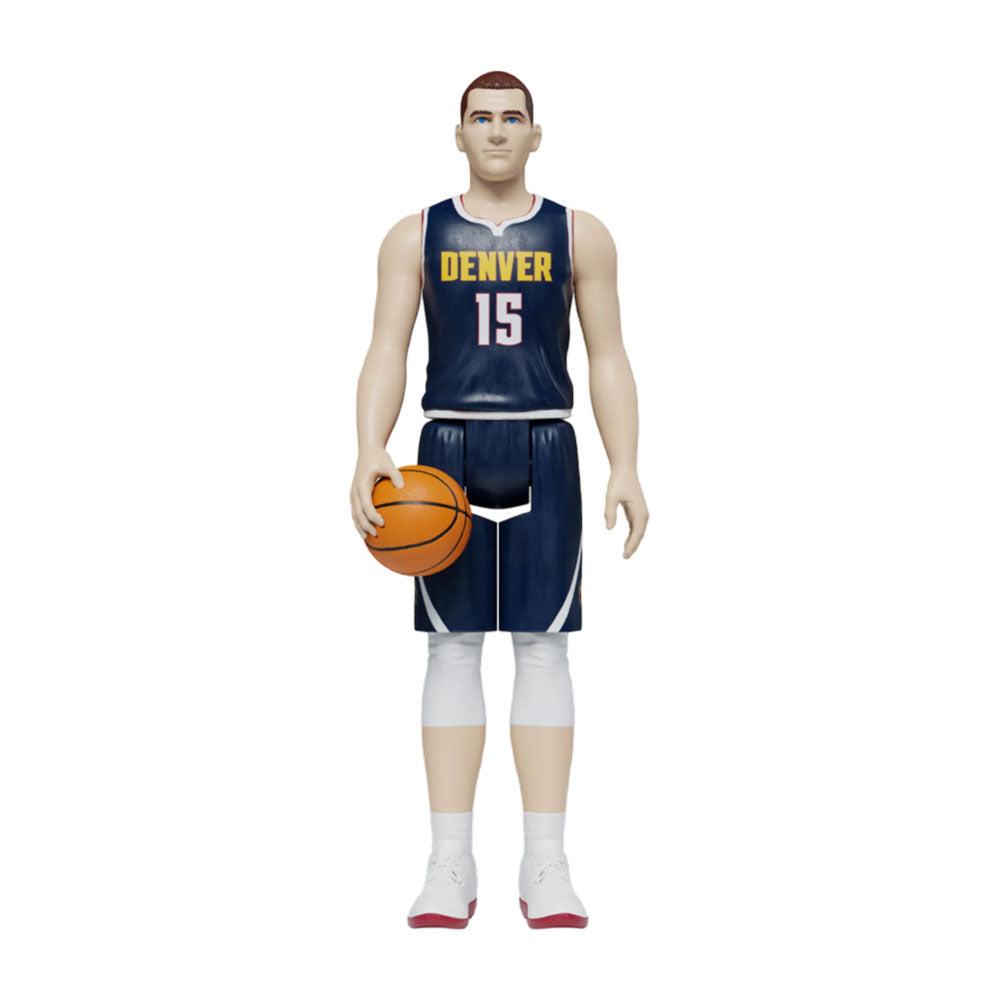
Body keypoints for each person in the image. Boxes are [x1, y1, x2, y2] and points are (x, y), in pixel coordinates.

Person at [350, 70, 648, 929]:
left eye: (511, 118)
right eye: (480, 117)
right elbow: (385, 349)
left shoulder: (578, 232)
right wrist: (370, 445)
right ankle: (450, 859)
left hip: (545, 441)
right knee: (451, 651)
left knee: (544, 650)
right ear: (458, 134)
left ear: (535, 135)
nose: (495, 131)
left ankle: (545, 859)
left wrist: (625, 461)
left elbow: (608, 354)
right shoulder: (414, 234)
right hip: (445, 451)